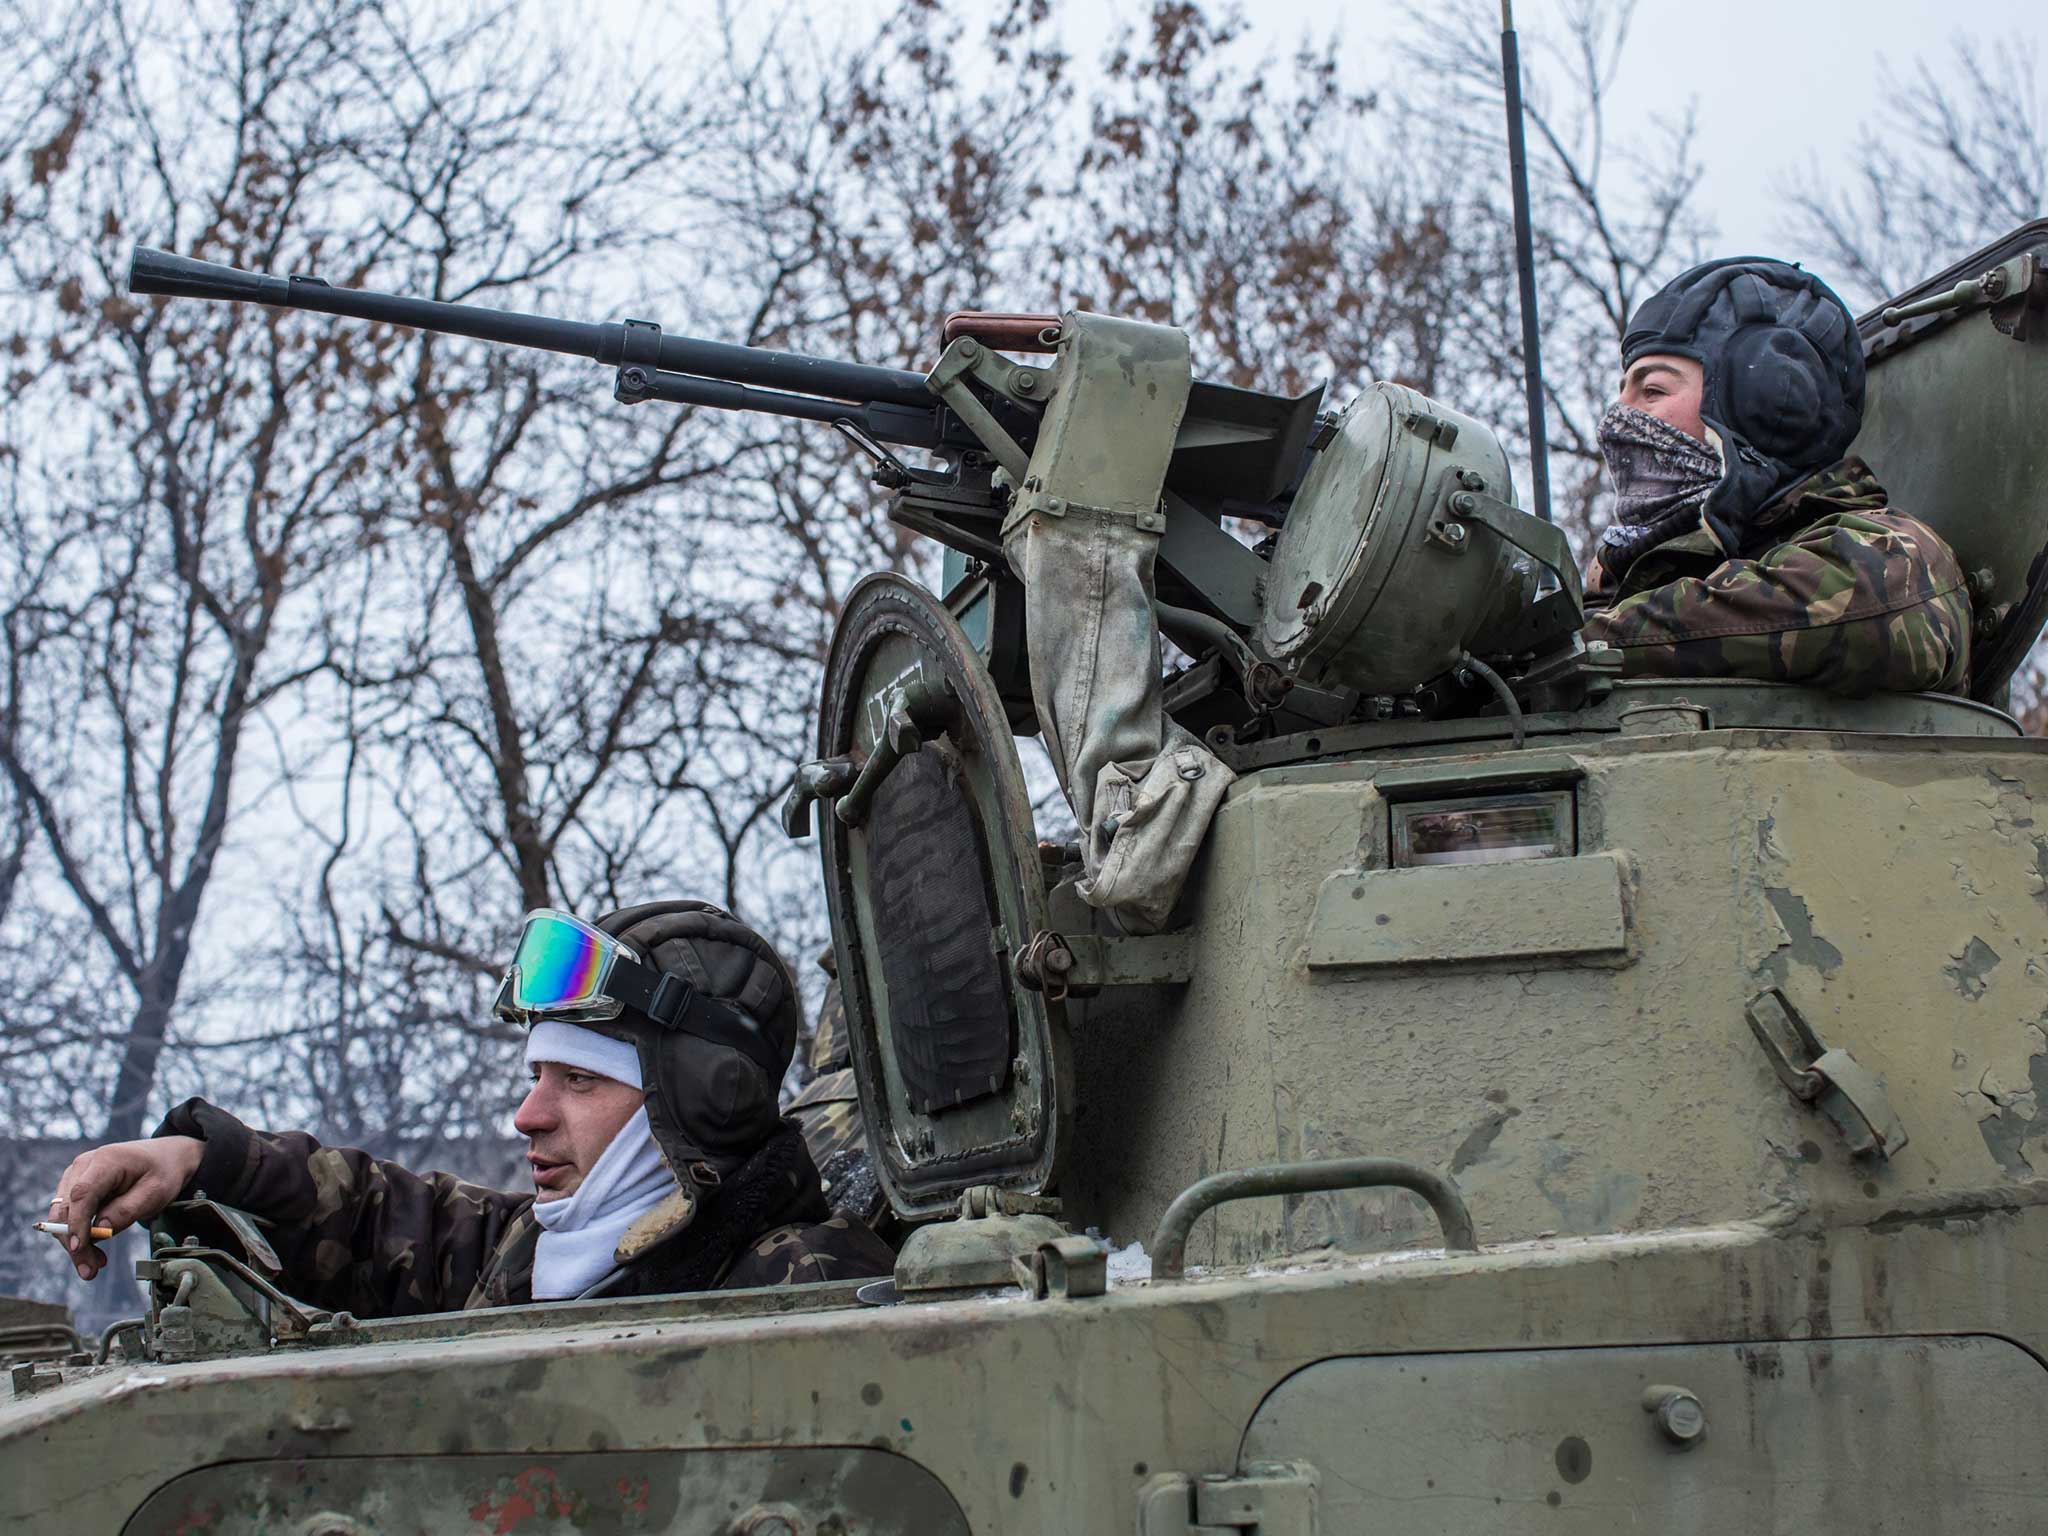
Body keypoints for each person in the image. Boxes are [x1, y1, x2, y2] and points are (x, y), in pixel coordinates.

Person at [44, 901, 895, 1315]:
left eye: (581, 1081)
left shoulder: (795, 1291)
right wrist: (200, 1158)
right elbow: (397, 1224)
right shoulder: (574, 1252)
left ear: (709, 1104)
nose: (529, 1116)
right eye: (538, 1078)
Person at [1581, 256, 1971, 695]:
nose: (1619, 417)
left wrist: (1585, 648)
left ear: (1766, 404)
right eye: (1622, 392)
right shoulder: (1639, 577)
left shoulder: (1889, 554)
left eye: (1651, 390)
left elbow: (1874, 603)